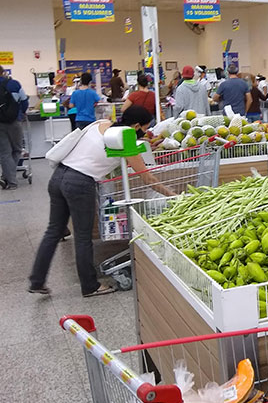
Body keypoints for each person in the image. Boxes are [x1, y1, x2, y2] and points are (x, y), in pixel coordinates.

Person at [28, 105, 175, 297]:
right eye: (145, 128)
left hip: (58, 177)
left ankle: (36, 281)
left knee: (53, 230)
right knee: (82, 236)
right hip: (80, 184)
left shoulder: (102, 123)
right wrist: (172, 194)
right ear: (137, 125)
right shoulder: (126, 138)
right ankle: (89, 286)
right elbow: (148, 179)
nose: (146, 132)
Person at [0, 66, 29, 190]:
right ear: (3, 72)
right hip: (15, 121)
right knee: (17, 150)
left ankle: (8, 179)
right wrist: (21, 113)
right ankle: (9, 178)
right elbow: (24, 101)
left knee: (4, 153)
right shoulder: (14, 84)